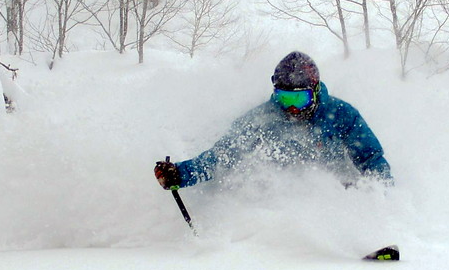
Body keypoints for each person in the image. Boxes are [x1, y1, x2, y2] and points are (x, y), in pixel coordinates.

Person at [154, 50, 392, 192]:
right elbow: (223, 154)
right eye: (284, 97)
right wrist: (181, 174)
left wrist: (376, 193)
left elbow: (371, 158)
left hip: (337, 191)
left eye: (299, 98)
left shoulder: (341, 114)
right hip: (287, 196)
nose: (291, 107)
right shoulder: (263, 119)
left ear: (316, 90)